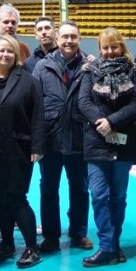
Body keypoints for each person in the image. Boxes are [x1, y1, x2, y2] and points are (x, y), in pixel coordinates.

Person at [0, 34, 46, 269]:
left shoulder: (28, 81)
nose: (4, 54)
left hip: (18, 149)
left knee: (16, 198)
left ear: (15, 54)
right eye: (1, 50)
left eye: (9, 51)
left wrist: (38, 146)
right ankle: (6, 243)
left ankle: (32, 248)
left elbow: (38, 114)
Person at [78, 28, 136, 267]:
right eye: (105, 47)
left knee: (118, 197)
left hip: (123, 144)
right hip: (96, 143)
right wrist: (101, 122)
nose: (109, 51)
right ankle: (107, 246)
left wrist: (112, 121)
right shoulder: (90, 71)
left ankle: (112, 246)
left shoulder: (134, 72)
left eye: (113, 46)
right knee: (99, 196)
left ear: (121, 47)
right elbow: (83, 101)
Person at [33, 21, 94, 253]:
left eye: (74, 37)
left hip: (79, 138)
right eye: (65, 37)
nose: (69, 41)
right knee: (49, 189)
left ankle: (79, 233)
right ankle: (50, 236)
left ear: (79, 39)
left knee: (80, 188)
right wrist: (37, 141)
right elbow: (35, 106)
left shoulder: (90, 66)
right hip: (50, 139)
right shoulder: (42, 67)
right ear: (57, 39)